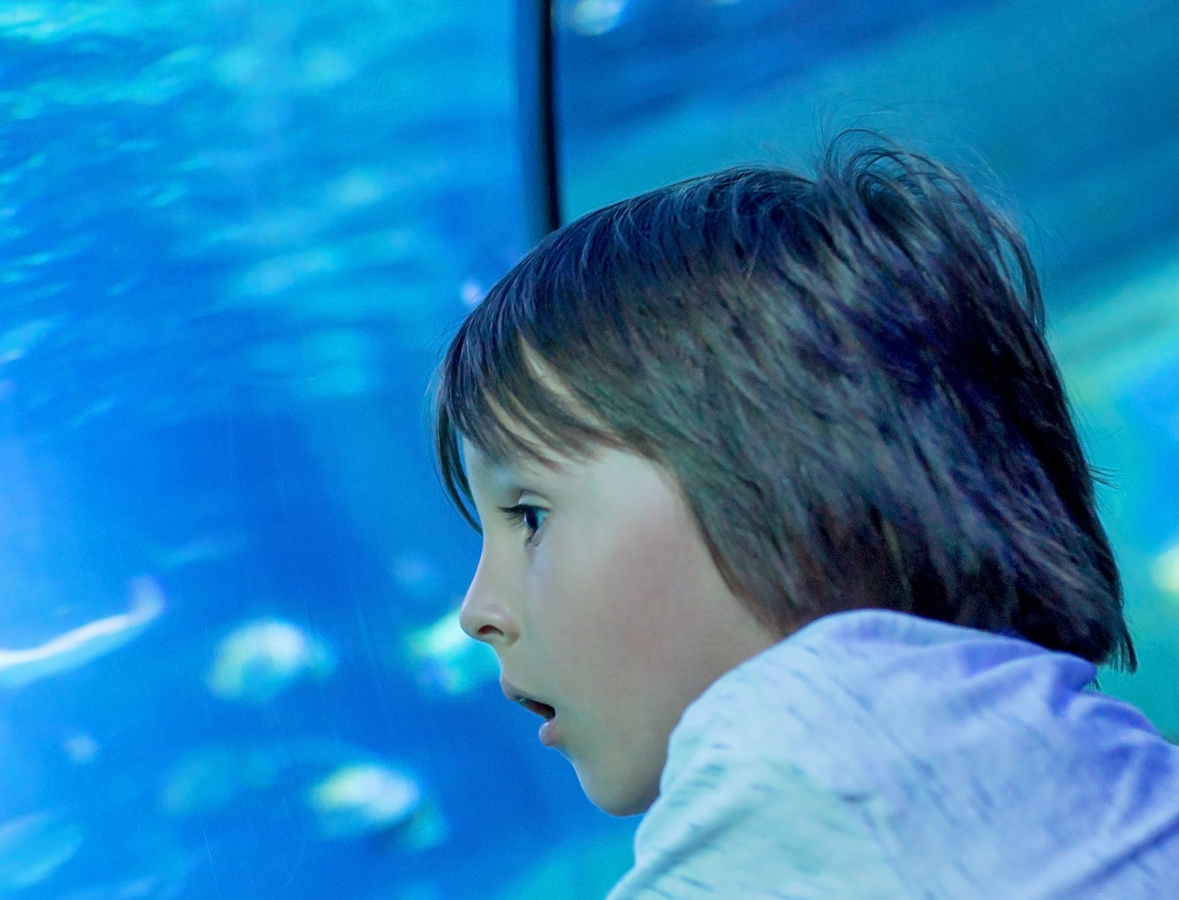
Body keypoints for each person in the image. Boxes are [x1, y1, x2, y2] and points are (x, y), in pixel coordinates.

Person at [432, 134, 1179, 898]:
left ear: (792, 487)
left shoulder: (806, 739)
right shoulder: (1059, 753)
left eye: (528, 515)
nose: (477, 611)